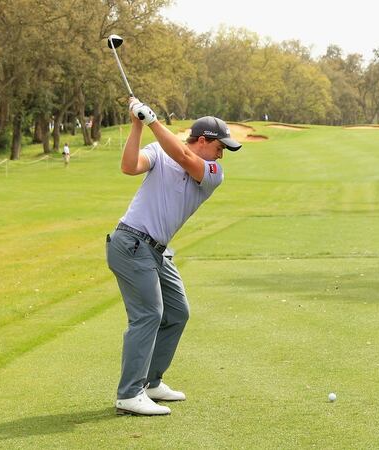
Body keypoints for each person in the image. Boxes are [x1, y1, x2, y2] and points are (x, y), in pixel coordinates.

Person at [106, 98, 241, 416]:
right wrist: (138, 126)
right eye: (220, 147)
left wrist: (152, 120)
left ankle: (151, 382)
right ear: (204, 141)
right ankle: (129, 393)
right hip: (131, 243)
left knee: (177, 312)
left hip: (157, 251)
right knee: (149, 315)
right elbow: (129, 166)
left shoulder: (212, 173)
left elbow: (181, 155)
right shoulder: (158, 152)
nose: (222, 155)